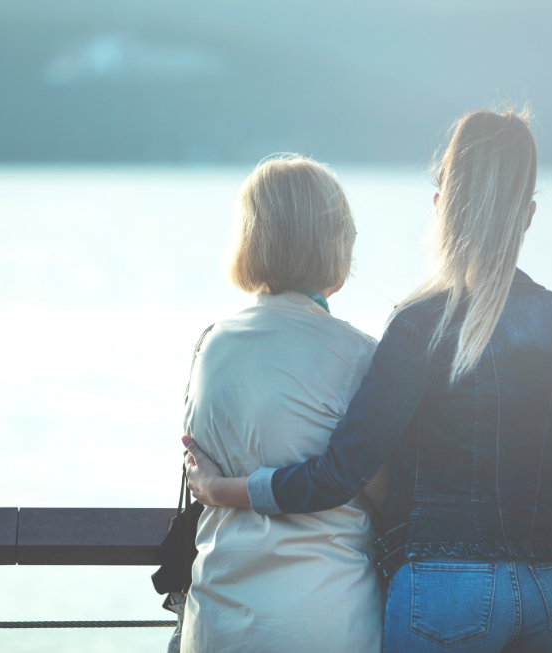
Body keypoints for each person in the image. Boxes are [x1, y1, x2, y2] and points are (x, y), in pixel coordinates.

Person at [183, 108, 552, 653]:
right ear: (527, 215)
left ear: (441, 208)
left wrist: (222, 490)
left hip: (441, 596)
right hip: (548, 594)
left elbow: (342, 473)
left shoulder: (418, 325)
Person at [179, 154, 385, 653]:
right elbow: (384, 492)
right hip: (325, 618)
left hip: (216, 619)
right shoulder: (359, 356)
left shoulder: (211, 346)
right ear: (334, 241)